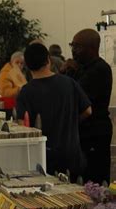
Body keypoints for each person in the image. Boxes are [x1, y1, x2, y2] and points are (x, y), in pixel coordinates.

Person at [16, 43, 92, 179]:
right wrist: (72, 121)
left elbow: (22, 126)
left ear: (27, 65)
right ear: (48, 60)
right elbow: (88, 111)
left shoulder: (26, 92)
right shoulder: (69, 83)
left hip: (43, 158)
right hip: (72, 155)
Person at [69, 29, 113, 185]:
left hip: (95, 131)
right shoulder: (80, 68)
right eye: (72, 46)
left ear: (92, 48)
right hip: (83, 131)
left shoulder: (100, 69)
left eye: (77, 46)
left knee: (95, 178)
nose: (73, 51)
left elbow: (76, 96)